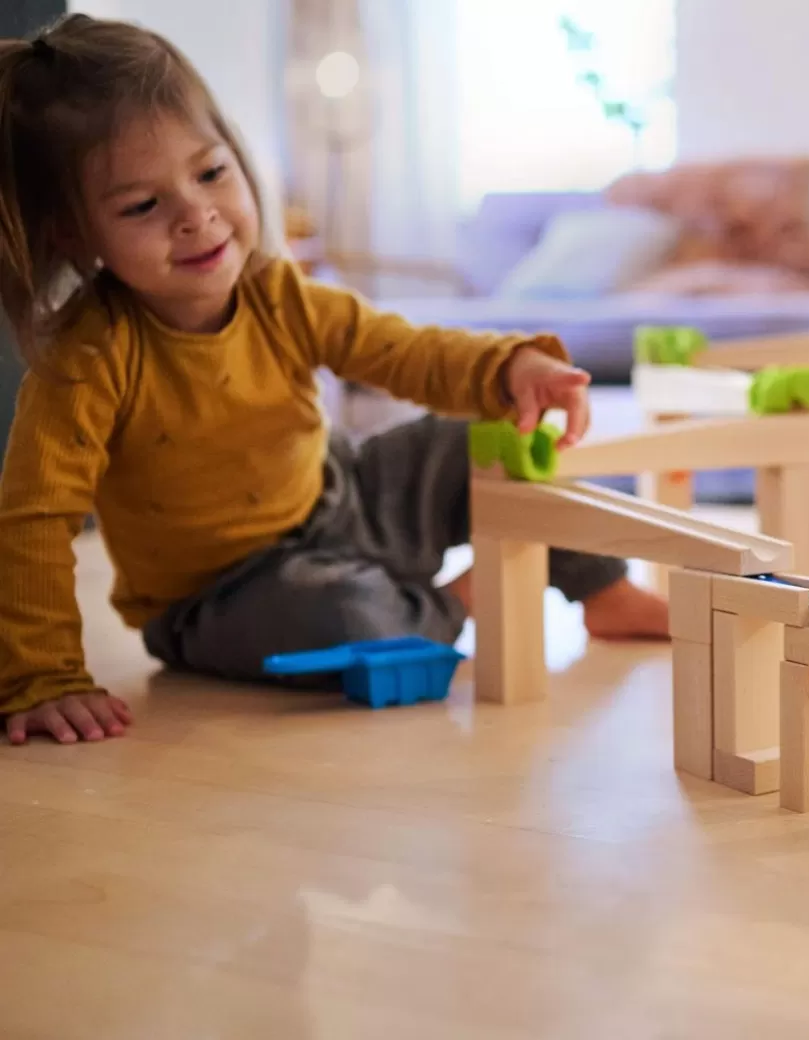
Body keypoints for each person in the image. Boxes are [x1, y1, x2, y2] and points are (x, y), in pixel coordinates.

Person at [0, 14, 670, 746]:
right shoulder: (90, 357)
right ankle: (457, 603)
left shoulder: (278, 293)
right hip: (222, 596)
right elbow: (34, 515)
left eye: (211, 172)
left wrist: (508, 367)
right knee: (343, 618)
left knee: (492, 442)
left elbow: (403, 351)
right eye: (142, 205)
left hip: (343, 499)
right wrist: (43, 676)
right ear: (71, 233)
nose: (197, 216)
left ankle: (604, 590)